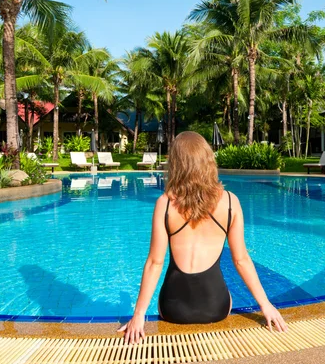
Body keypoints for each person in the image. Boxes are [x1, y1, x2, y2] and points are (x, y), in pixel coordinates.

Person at [118, 131, 288, 343]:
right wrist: (266, 305)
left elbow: (155, 262)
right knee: (228, 294)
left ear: (176, 164)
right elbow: (241, 260)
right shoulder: (230, 202)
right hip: (215, 307)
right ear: (208, 161)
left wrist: (138, 315)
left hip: (173, 308)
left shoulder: (165, 204)